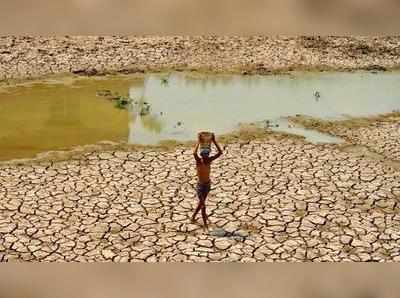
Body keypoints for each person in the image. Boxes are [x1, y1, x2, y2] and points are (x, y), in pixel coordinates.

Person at [191, 133, 223, 230]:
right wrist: (198, 142)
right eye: (203, 155)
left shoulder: (209, 160)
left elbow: (220, 152)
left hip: (207, 185)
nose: (205, 157)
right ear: (201, 155)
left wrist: (214, 141)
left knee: (201, 203)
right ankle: (205, 225)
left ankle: (193, 217)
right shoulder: (198, 161)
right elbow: (194, 153)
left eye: (206, 155)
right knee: (203, 206)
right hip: (200, 186)